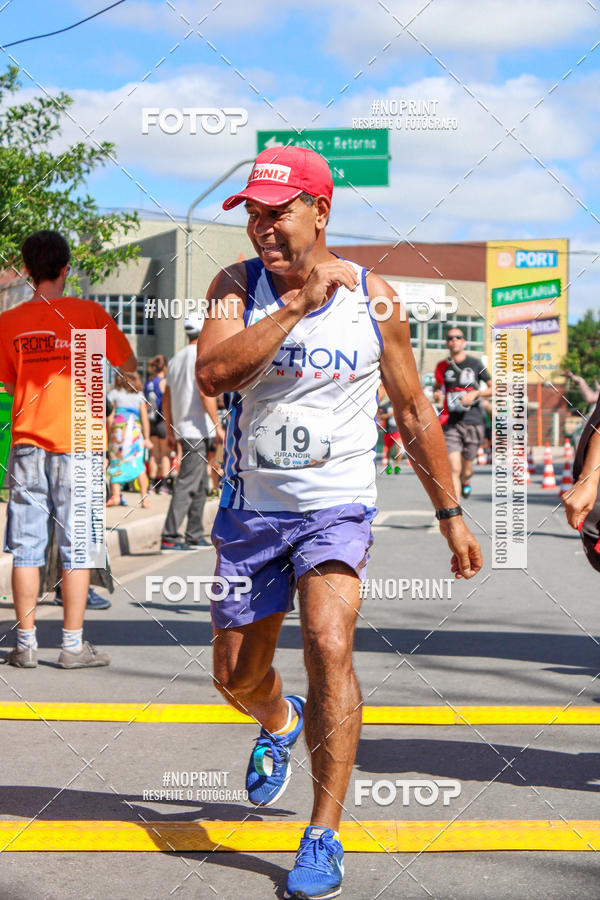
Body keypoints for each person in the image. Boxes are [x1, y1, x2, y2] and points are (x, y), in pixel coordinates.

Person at [196, 146, 483, 900]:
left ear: (320, 212)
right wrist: (292, 309)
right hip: (254, 509)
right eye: (253, 214)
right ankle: (277, 719)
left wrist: (449, 514)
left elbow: (415, 409)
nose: (262, 227)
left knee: (330, 641)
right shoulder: (234, 287)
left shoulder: (374, 297)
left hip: (337, 507)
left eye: (277, 211)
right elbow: (213, 375)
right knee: (234, 675)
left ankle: (322, 833)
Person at [0, 230, 136, 668]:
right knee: (80, 547)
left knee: (26, 548)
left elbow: (10, 381)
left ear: (27, 269)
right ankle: (72, 646)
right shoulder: (89, 314)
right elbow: (126, 365)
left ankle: (25, 644)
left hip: (26, 443)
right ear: (66, 267)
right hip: (80, 440)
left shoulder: (10, 322)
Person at [160, 316, 224, 551]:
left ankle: (194, 532)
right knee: (189, 482)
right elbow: (205, 392)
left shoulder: (176, 359)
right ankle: (170, 534)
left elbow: (166, 398)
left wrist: (169, 429)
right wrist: (218, 425)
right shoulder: (202, 355)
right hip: (196, 429)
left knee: (198, 482)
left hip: (184, 429)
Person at [433, 328, 492, 500]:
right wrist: (437, 394)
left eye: (458, 337)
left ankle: (465, 480)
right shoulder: (442, 366)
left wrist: (475, 394)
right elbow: (438, 388)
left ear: (464, 342)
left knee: (466, 470)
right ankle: (456, 513)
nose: (454, 340)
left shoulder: (475, 364)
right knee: (454, 468)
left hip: (474, 421)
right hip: (451, 422)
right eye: (450, 338)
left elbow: (493, 387)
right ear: (447, 343)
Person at [107, 372, 152, 509]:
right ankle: (144, 499)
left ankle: (116, 496)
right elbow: (144, 418)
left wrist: (109, 435)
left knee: (116, 463)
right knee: (139, 465)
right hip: (134, 434)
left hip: (118, 433)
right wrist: (147, 438)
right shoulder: (139, 396)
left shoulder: (114, 394)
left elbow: (109, 416)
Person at [145, 354, 171, 494]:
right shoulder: (162, 382)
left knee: (154, 454)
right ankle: (164, 484)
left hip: (151, 421)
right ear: (164, 367)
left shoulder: (149, 382)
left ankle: (152, 484)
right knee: (165, 454)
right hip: (162, 420)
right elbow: (166, 401)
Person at [378, 386, 402, 474]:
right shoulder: (385, 406)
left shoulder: (399, 405)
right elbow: (381, 416)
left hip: (397, 430)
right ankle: (388, 464)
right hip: (388, 430)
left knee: (398, 447)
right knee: (388, 449)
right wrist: (390, 414)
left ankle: (397, 465)